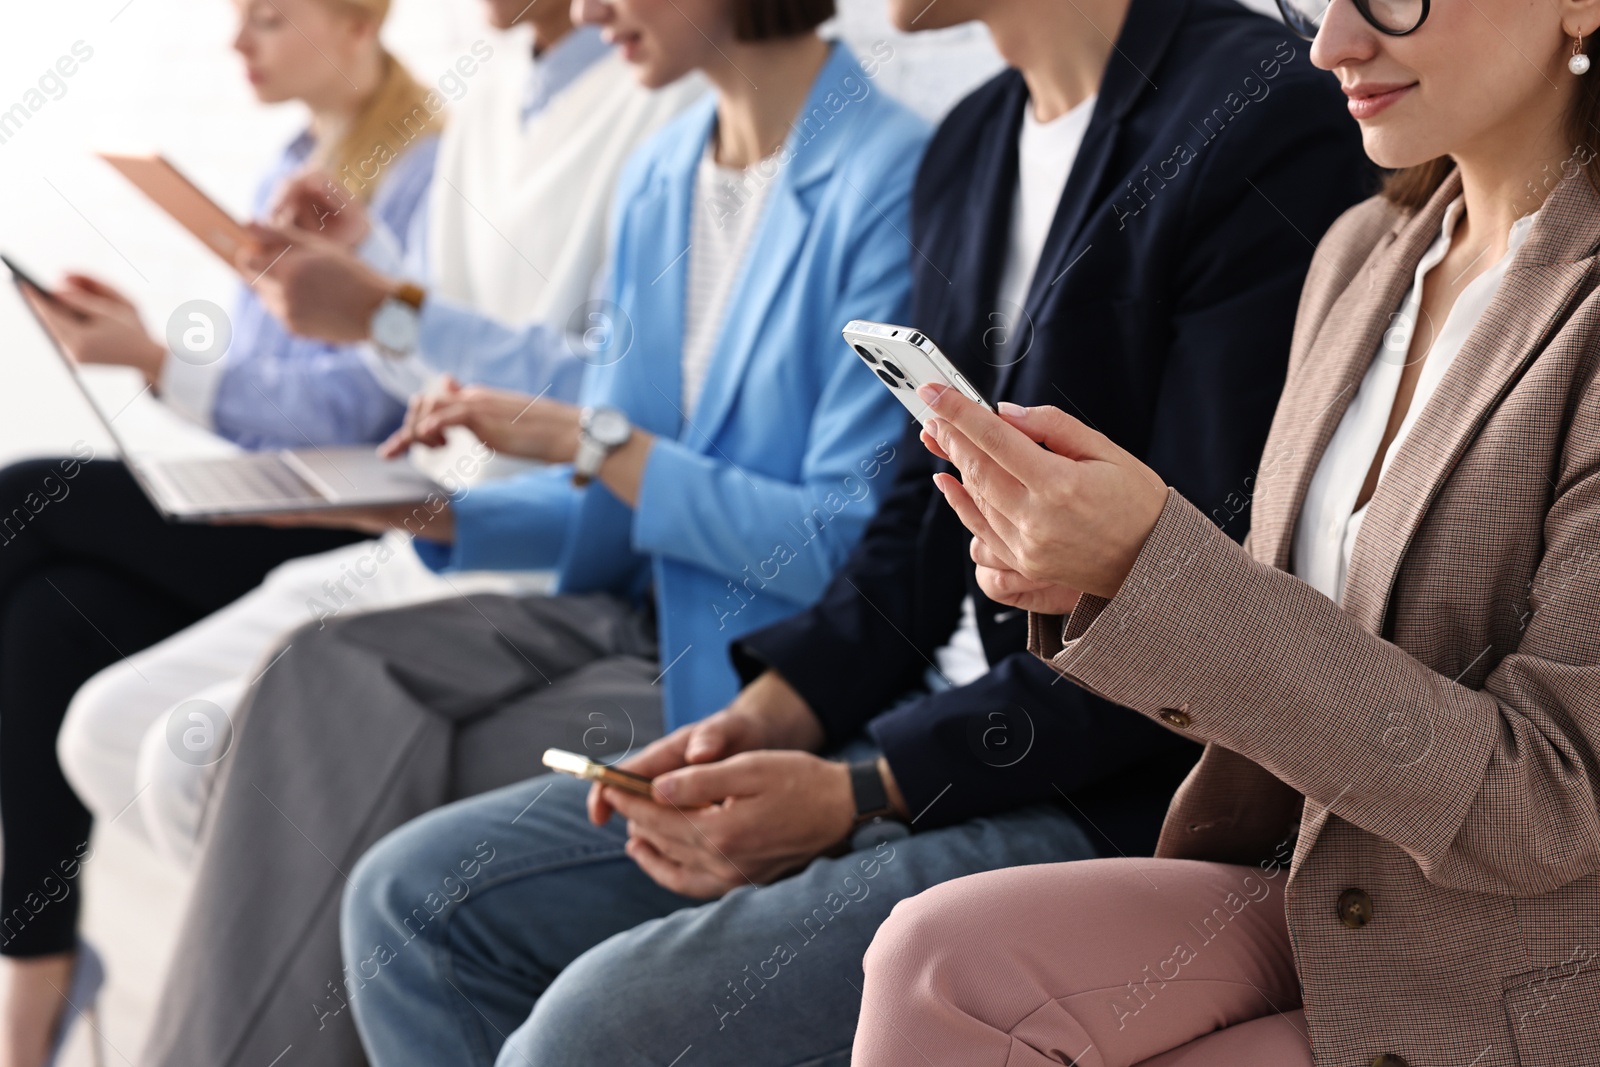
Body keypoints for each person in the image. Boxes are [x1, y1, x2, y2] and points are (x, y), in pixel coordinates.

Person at [334, 0, 1371, 1064]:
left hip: (1088, 782)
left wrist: (860, 789)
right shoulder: (973, 140)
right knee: (413, 899)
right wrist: (772, 714)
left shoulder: (1259, 116)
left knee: (588, 1034)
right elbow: (915, 517)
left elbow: (1200, 606)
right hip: (903, 725)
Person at [131, 1, 929, 1063]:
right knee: (314, 667)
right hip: (623, 607)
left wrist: (597, 439)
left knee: (360, 782)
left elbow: (837, 544)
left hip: (759, 659)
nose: (589, 5)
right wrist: (425, 509)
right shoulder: (663, 173)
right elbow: (611, 502)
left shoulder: (889, 176)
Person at [852, 0, 1600, 1063]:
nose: (1332, 42)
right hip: (1312, 880)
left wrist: (1153, 569)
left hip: (1516, 967)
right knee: (932, 956)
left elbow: (1547, 802)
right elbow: (1289, 631)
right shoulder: (1362, 253)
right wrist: (1096, 581)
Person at [57, 0, 700, 870]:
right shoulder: (496, 90)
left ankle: (294, 975)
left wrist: (387, 312)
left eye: (271, 18)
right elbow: (426, 374)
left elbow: (619, 395)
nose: (240, 41)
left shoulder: (664, 104)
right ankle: (283, 958)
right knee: (105, 723)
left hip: (544, 548)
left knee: (185, 754)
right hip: (439, 517)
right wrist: (378, 277)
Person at [1, 1, 437, 1063]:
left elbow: (371, 409)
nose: (239, 42)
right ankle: (38, 980)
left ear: (358, 20)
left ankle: (35, 991)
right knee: (54, 620)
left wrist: (158, 358)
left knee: (24, 496)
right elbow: (271, 394)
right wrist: (155, 360)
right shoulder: (292, 163)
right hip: (261, 489)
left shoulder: (428, 169)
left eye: (270, 17)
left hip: (349, 521)